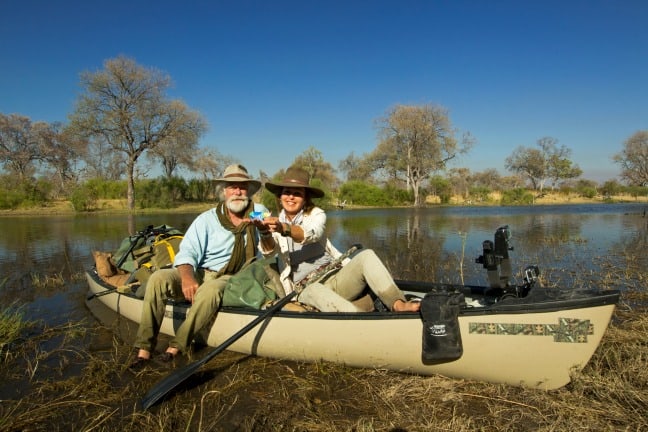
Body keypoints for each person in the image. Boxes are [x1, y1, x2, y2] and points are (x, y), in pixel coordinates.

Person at [130, 164, 275, 368]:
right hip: (200, 271)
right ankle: (144, 349)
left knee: (210, 290)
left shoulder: (257, 212)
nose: (237, 191)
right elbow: (187, 252)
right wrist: (188, 278)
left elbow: (271, 245)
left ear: (249, 191)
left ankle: (175, 348)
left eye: (242, 187)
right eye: (232, 186)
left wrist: (267, 230)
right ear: (224, 191)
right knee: (158, 279)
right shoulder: (206, 219)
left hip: (232, 276)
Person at [253, 166, 420, 313]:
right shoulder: (273, 223)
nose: (291, 197)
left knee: (366, 255)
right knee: (316, 291)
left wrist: (284, 228)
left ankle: (397, 304)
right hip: (305, 289)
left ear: (305, 199)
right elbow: (268, 253)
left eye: (297, 193)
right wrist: (264, 232)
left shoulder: (316, 214)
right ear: (280, 197)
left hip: (336, 276)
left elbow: (311, 234)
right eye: (287, 192)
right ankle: (364, 313)